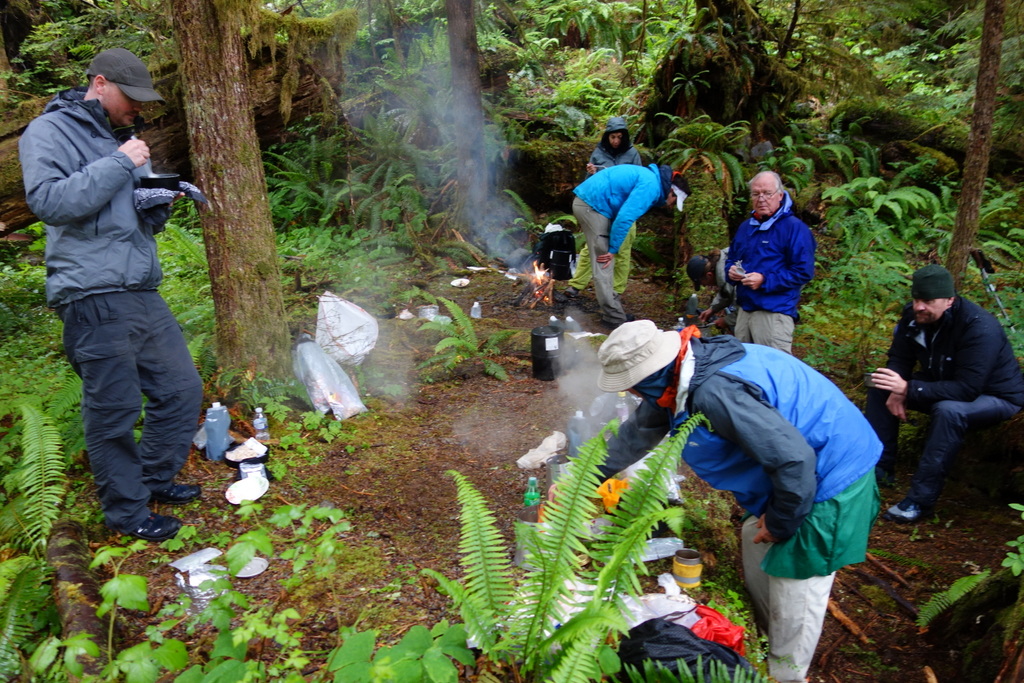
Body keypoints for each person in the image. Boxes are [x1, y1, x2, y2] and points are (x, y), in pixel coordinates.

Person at [594, 320, 880, 682]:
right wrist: (582, 478)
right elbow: (638, 432)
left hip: (829, 474)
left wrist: (780, 522)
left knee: (797, 583)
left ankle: (785, 674)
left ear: (650, 372)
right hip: (792, 474)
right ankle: (761, 641)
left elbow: (794, 460)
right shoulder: (678, 375)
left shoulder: (715, 390)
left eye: (632, 383)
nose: (631, 392)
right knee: (754, 540)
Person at [19, 48, 204, 542]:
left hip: (139, 287)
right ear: (99, 83)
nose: (138, 107)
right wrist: (121, 164)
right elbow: (49, 202)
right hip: (92, 292)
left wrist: (158, 203)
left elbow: (127, 218)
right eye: (131, 96)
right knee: (114, 409)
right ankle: (126, 512)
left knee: (181, 389)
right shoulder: (49, 131)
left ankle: (152, 480)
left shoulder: (120, 139)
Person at [867, 264, 1024, 523]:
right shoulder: (913, 317)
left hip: (995, 396)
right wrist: (895, 387)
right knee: (880, 385)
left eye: (928, 301)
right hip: (943, 382)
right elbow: (900, 358)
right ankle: (879, 469)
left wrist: (908, 388)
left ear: (949, 300)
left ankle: (920, 501)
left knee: (949, 410)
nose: (919, 307)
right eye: (916, 299)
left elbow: (968, 388)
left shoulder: (978, 327)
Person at [572, 164, 686, 329]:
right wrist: (613, 249)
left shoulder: (651, 180)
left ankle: (612, 309)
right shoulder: (651, 187)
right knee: (604, 260)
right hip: (592, 206)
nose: (671, 205)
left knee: (605, 258)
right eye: (674, 201)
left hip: (596, 204)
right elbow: (624, 218)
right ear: (672, 192)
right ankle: (614, 318)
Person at [725, 171, 815, 354]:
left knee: (774, 368)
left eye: (767, 193)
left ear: (780, 195)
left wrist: (764, 280)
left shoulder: (795, 228)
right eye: (756, 194)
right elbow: (732, 259)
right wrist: (731, 271)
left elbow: (803, 272)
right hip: (744, 312)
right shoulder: (746, 227)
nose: (761, 199)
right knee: (743, 367)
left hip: (774, 313)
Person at [566, 117, 644, 298]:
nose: (616, 141)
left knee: (623, 250)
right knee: (592, 246)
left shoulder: (632, 154)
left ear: (624, 137)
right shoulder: (598, 153)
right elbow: (589, 185)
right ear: (607, 136)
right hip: (602, 208)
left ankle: (615, 291)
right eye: (612, 137)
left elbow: (640, 180)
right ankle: (576, 285)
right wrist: (592, 173)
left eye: (619, 137)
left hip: (625, 209)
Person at [687, 248, 737, 333]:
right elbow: (726, 293)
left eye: (702, 283)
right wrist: (712, 309)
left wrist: (726, 320)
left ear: (709, 275)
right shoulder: (722, 266)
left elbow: (745, 307)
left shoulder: (730, 276)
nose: (704, 286)